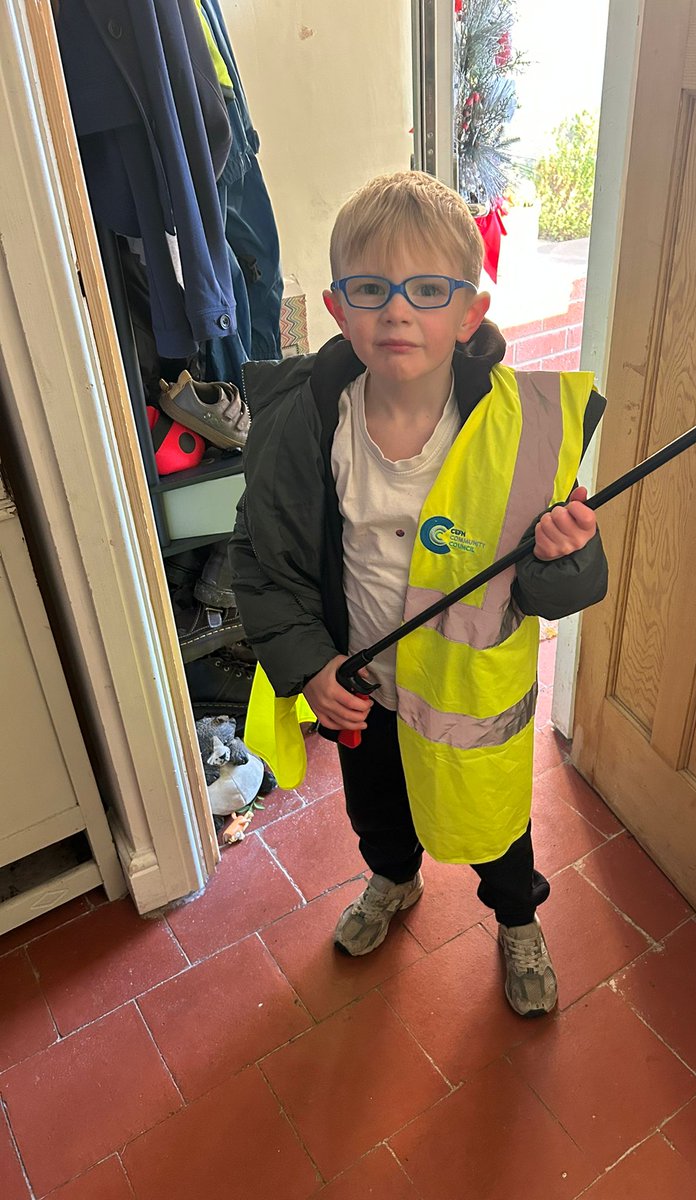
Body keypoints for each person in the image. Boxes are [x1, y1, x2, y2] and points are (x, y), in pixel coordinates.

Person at [230, 171, 608, 1017]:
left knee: (495, 827)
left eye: (428, 291)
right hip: (365, 690)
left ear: (469, 312)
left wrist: (566, 554)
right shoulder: (304, 427)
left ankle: (517, 919)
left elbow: (558, 587)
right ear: (336, 307)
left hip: (469, 695)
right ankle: (394, 881)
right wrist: (310, 665)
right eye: (371, 290)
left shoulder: (521, 426)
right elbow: (263, 562)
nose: (397, 312)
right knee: (378, 812)